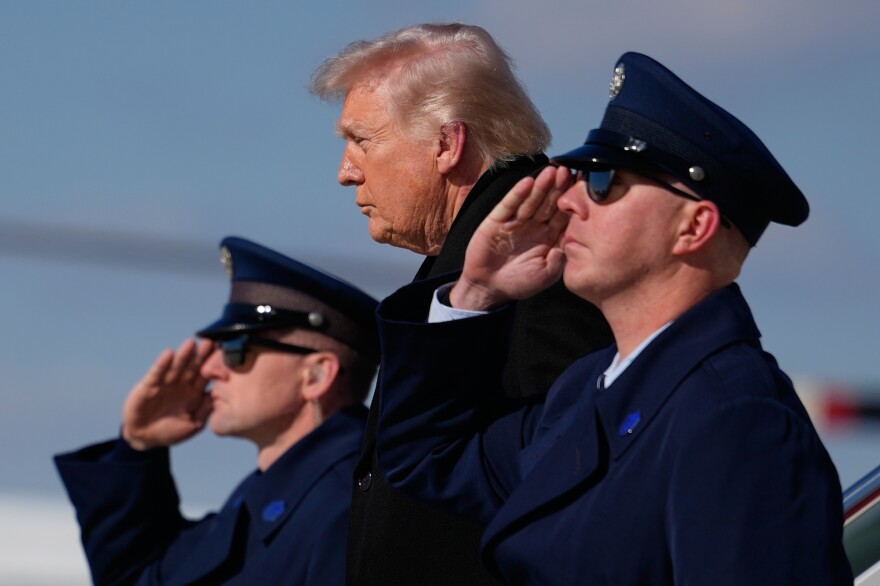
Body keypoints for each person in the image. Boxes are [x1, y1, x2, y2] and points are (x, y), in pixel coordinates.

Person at [372, 52, 854, 584]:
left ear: (693, 228)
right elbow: (428, 462)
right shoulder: (587, 392)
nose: (572, 200)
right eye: (579, 175)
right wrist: (475, 291)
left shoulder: (735, 418)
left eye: (603, 181)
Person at [310, 23, 613, 585]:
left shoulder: (544, 250)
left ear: (448, 143)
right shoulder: (467, 252)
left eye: (363, 140)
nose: (346, 171)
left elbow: (574, 479)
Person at [54, 236, 379, 585]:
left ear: (316, 376)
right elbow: (139, 578)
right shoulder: (261, 503)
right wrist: (138, 448)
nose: (210, 369)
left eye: (236, 349)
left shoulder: (347, 511)